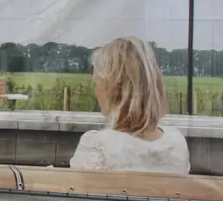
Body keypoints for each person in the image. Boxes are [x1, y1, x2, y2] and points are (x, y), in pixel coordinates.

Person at [70, 36, 191, 174]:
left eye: (97, 82)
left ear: (112, 88)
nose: (96, 90)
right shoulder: (177, 144)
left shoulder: (97, 146)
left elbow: (75, 192)